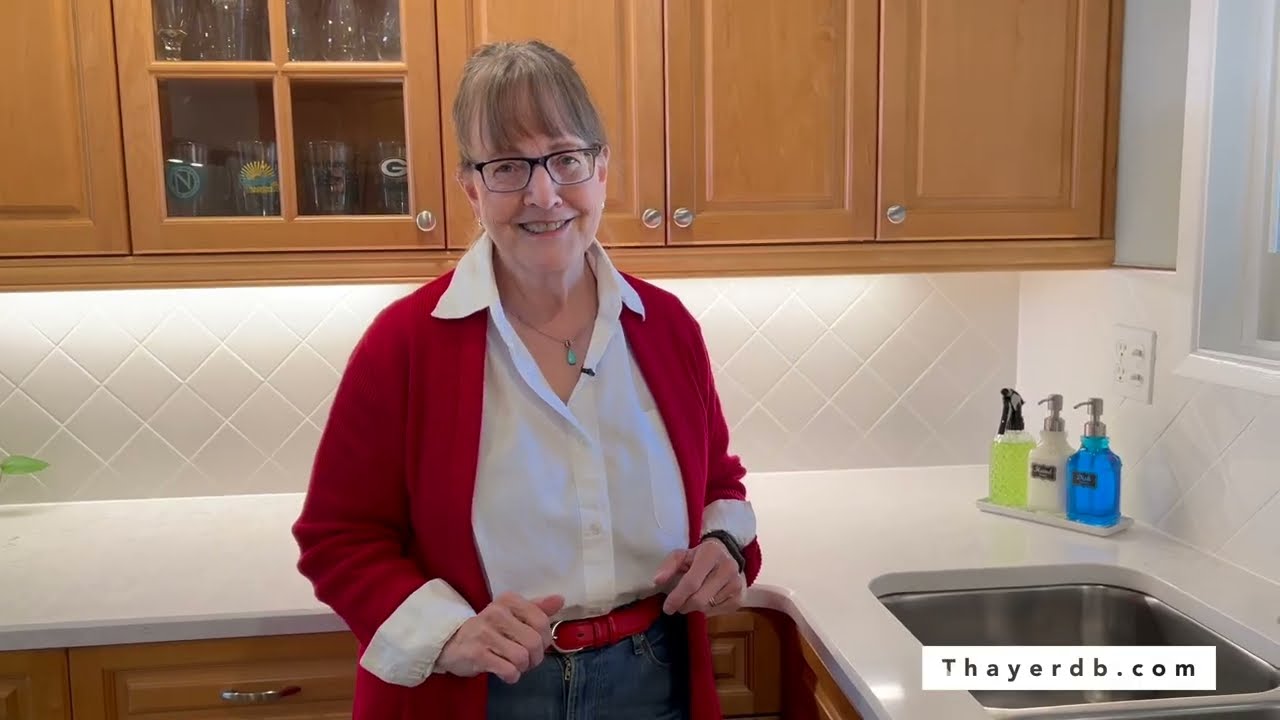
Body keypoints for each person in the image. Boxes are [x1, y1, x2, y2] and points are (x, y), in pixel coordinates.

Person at [291, 39, 762, 720]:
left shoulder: (666, 327)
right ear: (471, 187)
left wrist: (725, 549)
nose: (544, 195)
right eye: (509, 166)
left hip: (655, 679)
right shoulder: (404, 345)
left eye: (566, 159)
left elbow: (719, 485)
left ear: (602, 169)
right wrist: (448, 632)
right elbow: (338, 539)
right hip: (484, 696)